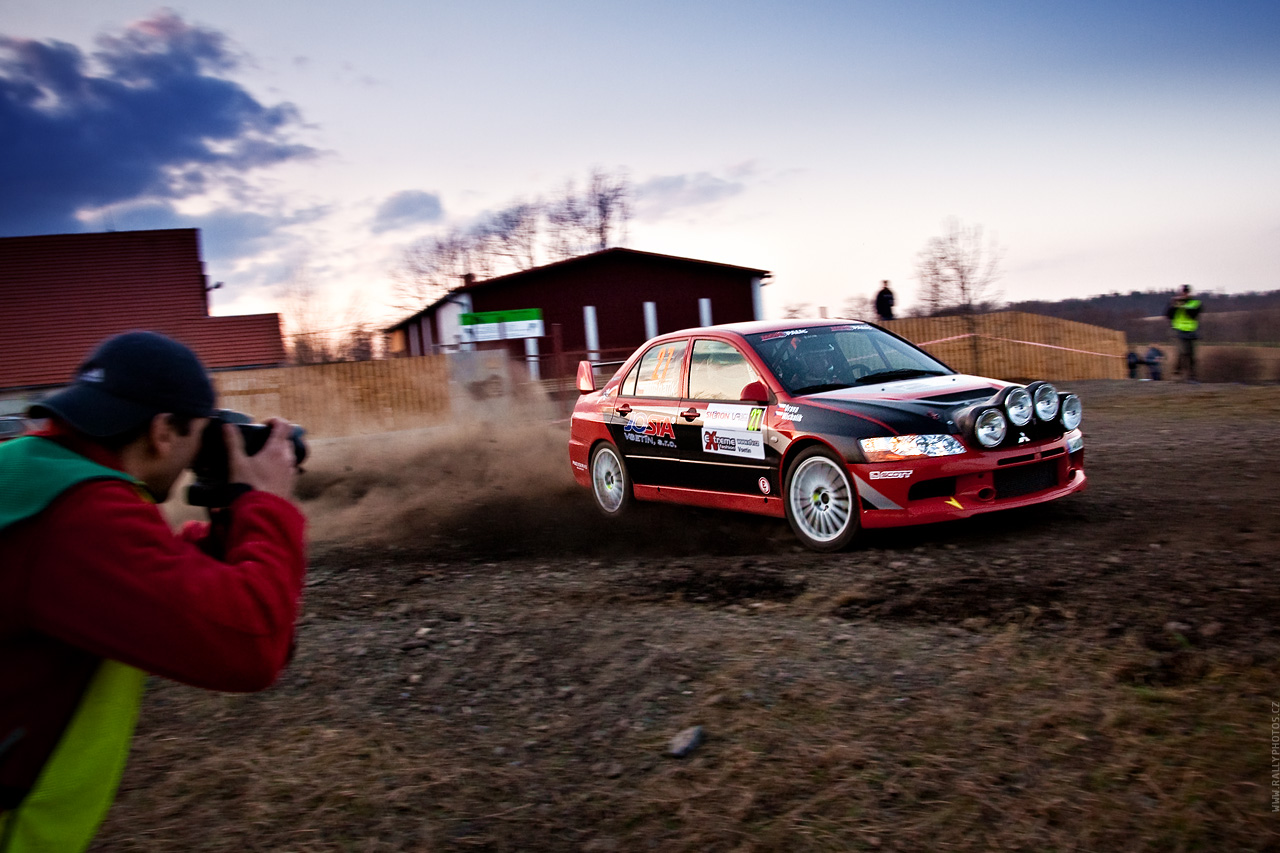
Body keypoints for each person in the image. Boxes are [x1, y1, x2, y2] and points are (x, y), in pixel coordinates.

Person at [0, 331, 307, 852]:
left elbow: (161, 585)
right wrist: (268, 504)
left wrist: (231, 514)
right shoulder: (80, 515)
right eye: (201, 437)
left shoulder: (34, 473)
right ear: (164, 431)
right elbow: (249, 645)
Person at [1166, 284, 1203, 381]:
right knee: (1182, 352)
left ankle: (1192, 376)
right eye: (1184, 292)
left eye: (1186, 292)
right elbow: (1169, 315)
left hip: (1191, 331)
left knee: (1191, 354)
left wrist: (1184, 306)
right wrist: (1175, 306)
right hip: (1178, 331)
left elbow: (1193, 315)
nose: (1185, 294)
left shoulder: (1195, 303)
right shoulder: (1175, 302)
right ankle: (1177, 373)